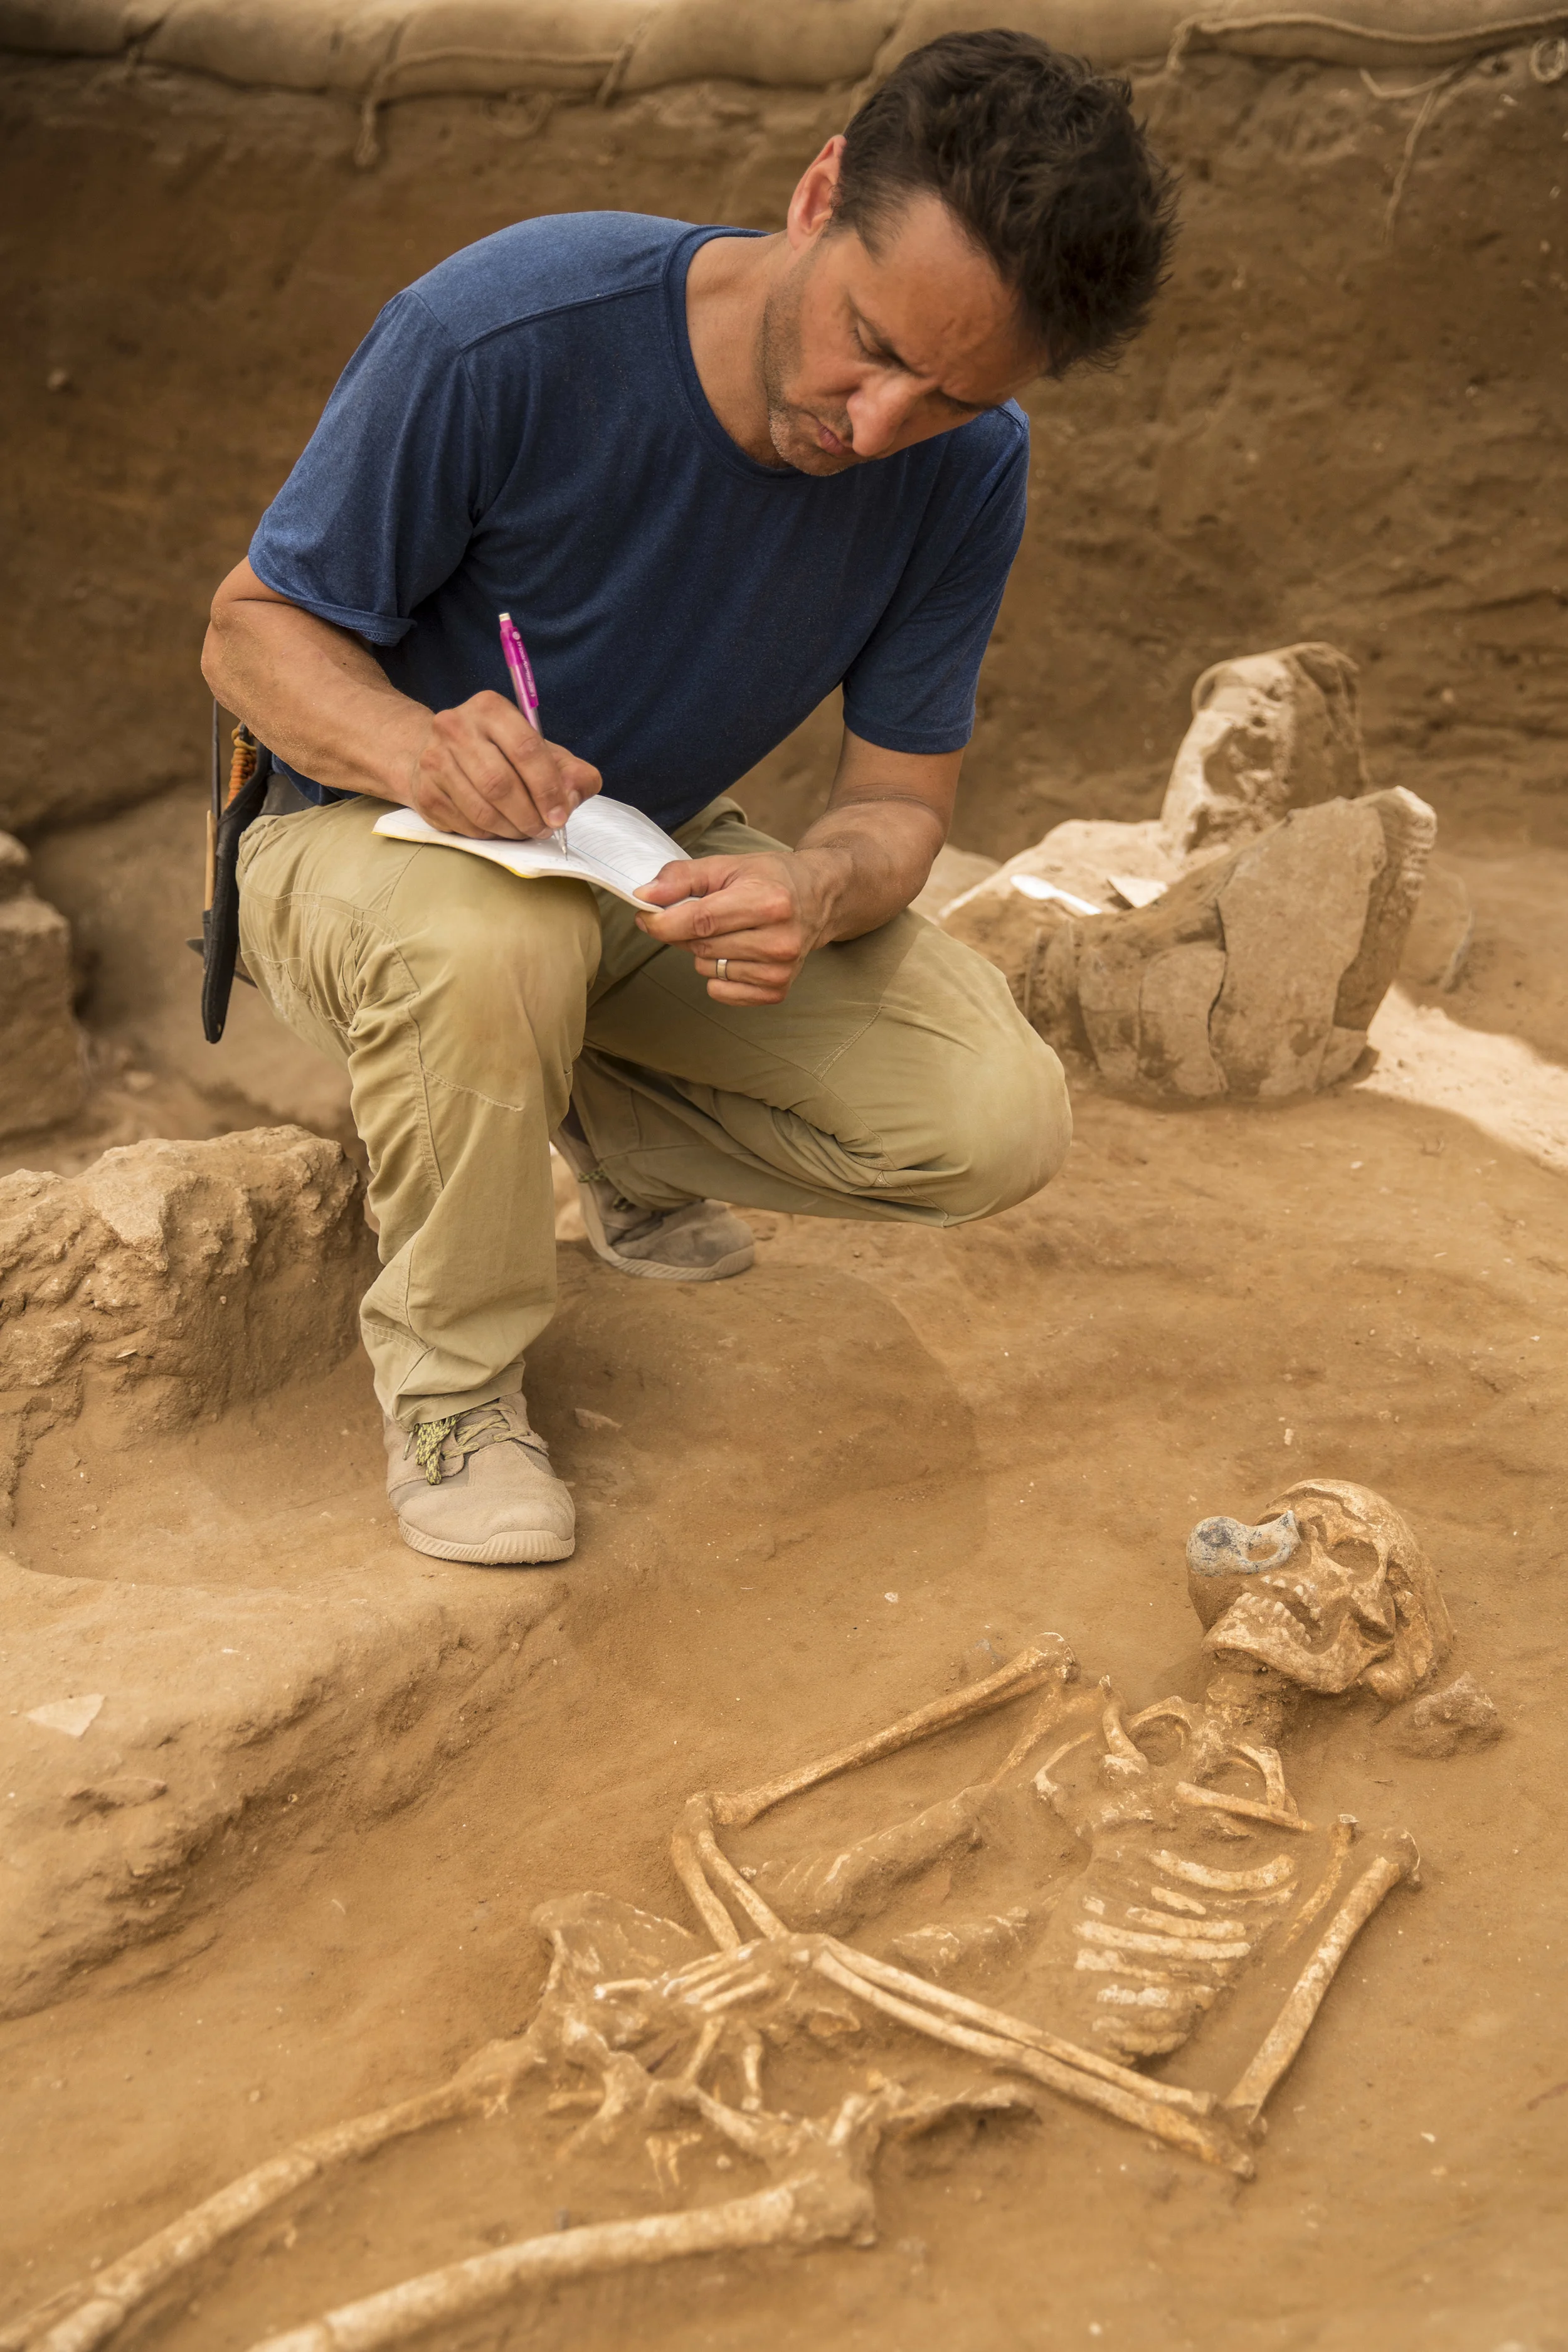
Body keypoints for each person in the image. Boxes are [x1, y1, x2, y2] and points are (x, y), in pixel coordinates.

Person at [201, 29, 1176, 1568]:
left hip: (627, 858)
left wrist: (819, 889)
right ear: (816, 194)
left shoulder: (971, 466)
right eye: (870, 344)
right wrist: (412, 748)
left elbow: (898, 805)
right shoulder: (508, 327)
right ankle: (452, 1391)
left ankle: (620, 1138)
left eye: (940, 398)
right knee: (486, 946)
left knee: (992, 1118)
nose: (873, 428)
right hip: (354, 839)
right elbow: (245, 628)